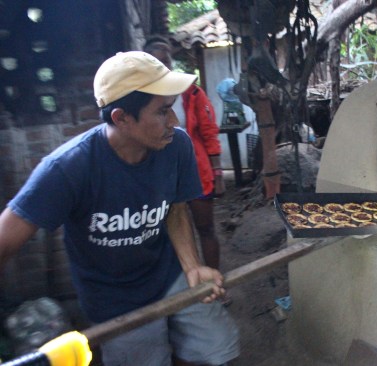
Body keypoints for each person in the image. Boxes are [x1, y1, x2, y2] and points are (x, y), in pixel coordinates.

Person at [0, 51, 239, 366]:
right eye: (163, 112)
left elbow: (176, 209)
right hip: (113, 298)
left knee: (217, 348)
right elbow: (5, 240)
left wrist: (192, 266)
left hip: (169, 275)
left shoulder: (175, 146)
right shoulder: (68, 168)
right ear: (122, 118)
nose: (175, 122)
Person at [143, 37, 226, 278]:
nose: (162, 66)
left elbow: (209, 131)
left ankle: (214, 282)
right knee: (170, 232)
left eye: (166, 61)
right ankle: (188, 282)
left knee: (206, 228)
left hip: (196, 170)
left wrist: (218, 172)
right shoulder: (140, 97)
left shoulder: (190, 92)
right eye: (156, 61)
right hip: (160, 174)